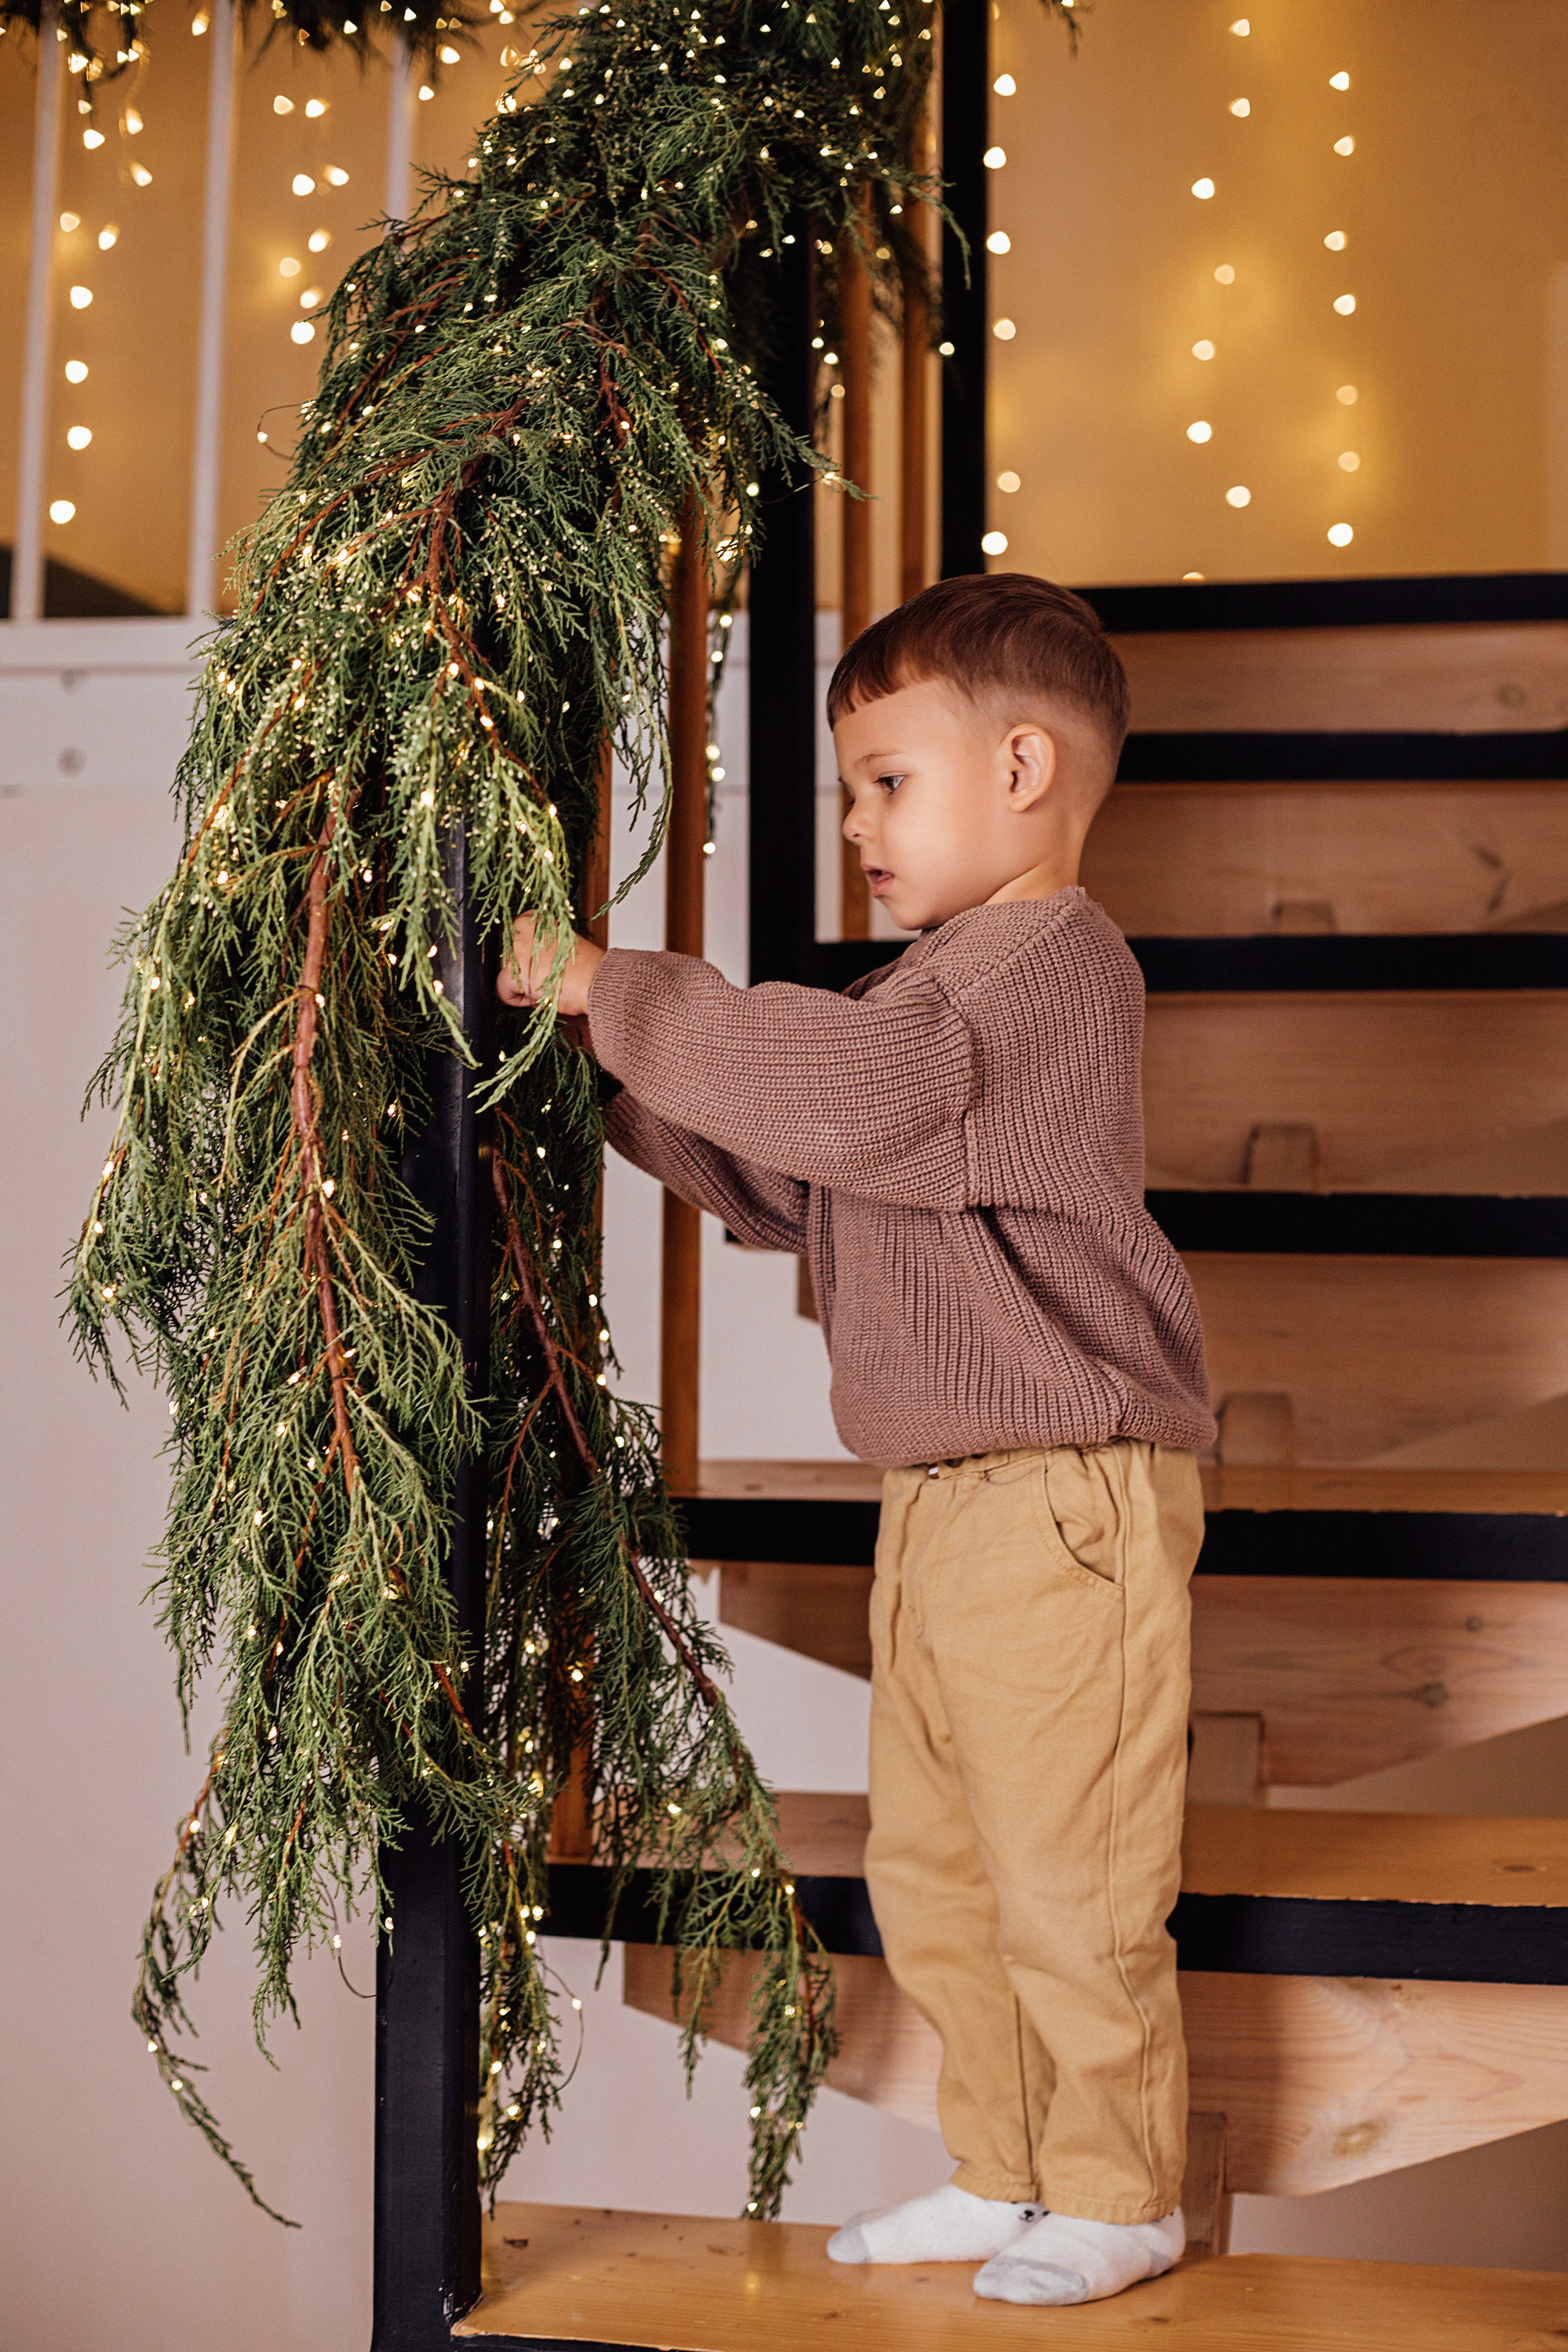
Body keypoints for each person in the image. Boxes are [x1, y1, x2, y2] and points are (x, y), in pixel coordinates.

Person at [499, 572, 1216, 2309]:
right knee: (943, 1864)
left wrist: (625, 983)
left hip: (1068, 1496)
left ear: (1027, 765)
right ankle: (1013, 2167)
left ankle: (1121, 2189)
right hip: (951, 1497)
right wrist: (603, 1074)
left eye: (889, 781)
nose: (857, 824)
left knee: (1072, 1868)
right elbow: (794, 1173)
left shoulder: (1044, 969)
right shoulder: (930, 998)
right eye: (850, 788)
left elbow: (853, 1101)